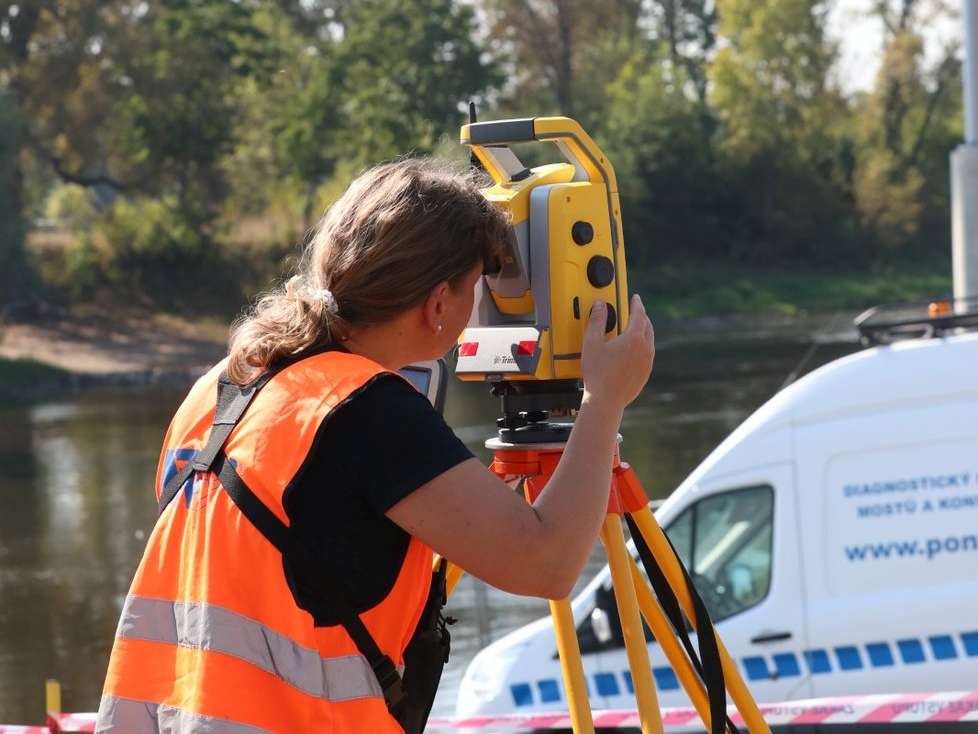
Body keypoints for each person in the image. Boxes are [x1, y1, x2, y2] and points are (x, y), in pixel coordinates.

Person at [95, 156, 655, 734]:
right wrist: (604, 397)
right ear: (438, 305)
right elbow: (549, 565)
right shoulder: (367, 411)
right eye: (475, 291)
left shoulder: (221, 387)